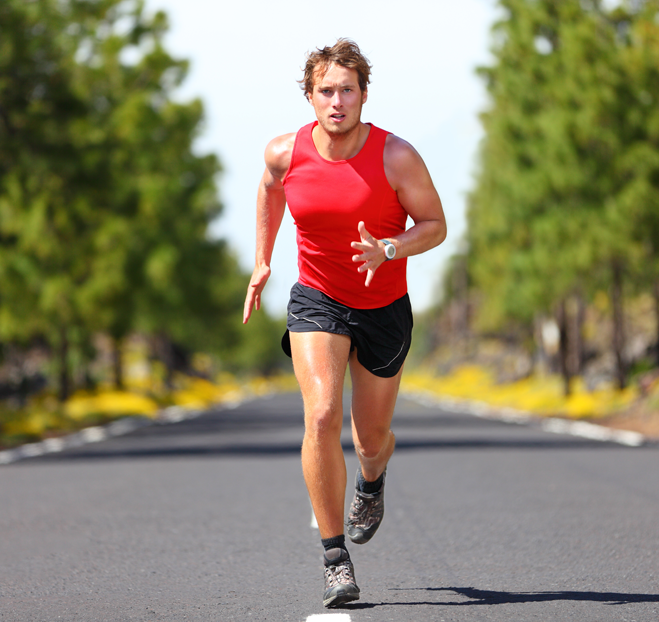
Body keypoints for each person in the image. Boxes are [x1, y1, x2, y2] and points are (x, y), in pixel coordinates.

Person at [242, 38, 446, 608]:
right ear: (309, 96)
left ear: (363, 95)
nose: (337, 101)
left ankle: (373, 480)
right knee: (322, 412)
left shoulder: (395, 156)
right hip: (318, 299)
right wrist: (263, 259)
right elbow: (268, 188)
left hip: (384, 306)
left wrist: (391, 246)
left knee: (371, 439)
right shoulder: (286, 152)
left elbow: (435, 224)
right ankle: (335, 559)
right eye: (326, 90)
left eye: (348, 90)